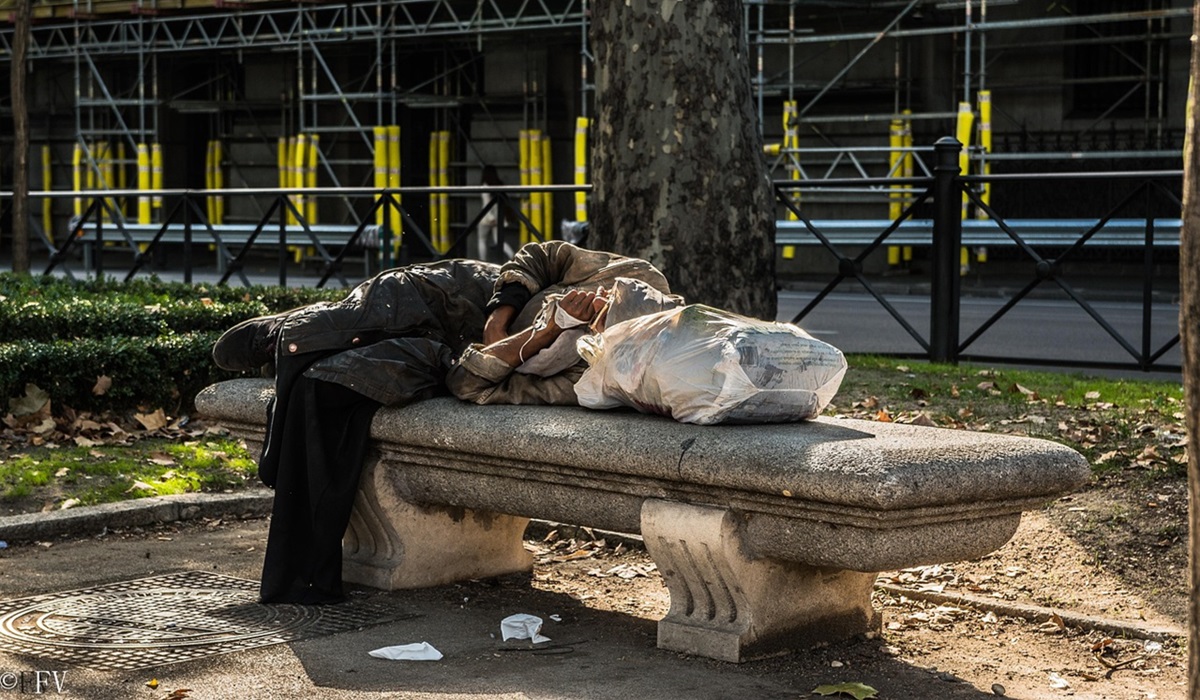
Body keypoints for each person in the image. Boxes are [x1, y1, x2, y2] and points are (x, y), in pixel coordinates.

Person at [210, 240, 672, 604]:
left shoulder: (586, 378)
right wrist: (499, 320)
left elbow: (469, 384)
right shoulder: (637, 277)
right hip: (460, 296)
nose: (596, 307)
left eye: (602, 320)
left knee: (325, 386)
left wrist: (546, 332)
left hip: (445, 357)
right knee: (362, 316)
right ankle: (288, 335)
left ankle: (296, 347)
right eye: (604, 300)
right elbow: (542, 256)